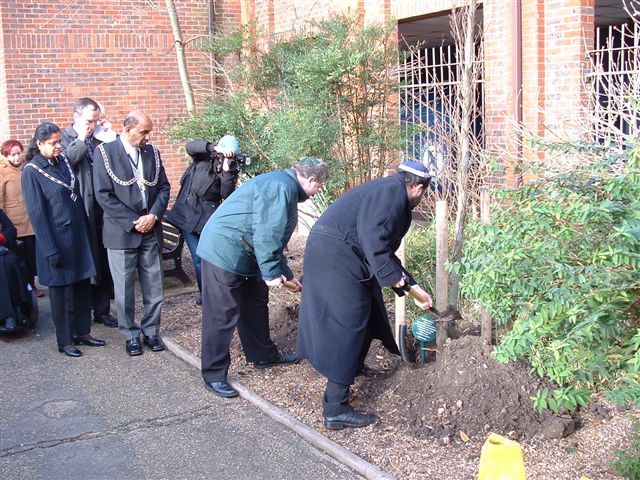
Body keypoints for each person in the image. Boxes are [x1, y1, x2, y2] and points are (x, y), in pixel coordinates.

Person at [296, 161, 434, 430]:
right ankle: (335, 407)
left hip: (339, 252)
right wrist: (396, 279)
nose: (421, 198)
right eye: (424, 193)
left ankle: (353, 366)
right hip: (336, 256)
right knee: (347, 323)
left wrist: (412, 287)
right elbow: (374, 242)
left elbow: (378, 248)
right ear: (417, 187)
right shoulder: (392, 193)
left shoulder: (388, 189)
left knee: (368, 311)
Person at [197, 156, 329, 398]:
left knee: (256, 304)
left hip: (245, 252)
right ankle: (214, 374)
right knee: (222, 314)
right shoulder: (281, 187)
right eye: (319, 187)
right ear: (311, 179)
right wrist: (270, 272)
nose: (317, 192)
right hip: (223, 252)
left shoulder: (282, 184)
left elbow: (274, 239)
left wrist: (285, 273)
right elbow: (267, 233)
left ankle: (262, 355)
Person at [21, 122, 105, 357]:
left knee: (81, 286)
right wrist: (50, 250)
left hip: (77, 236)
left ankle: (82, 331)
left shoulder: (63, 162)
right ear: (39, 144)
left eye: (59, 141)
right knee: (61, 294)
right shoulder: (32, 171)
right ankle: (65, 340)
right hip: (56, 241)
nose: (59, 146)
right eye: (53, 143)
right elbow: (37, 214)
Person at [93, 111, 171, 356]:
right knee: (125, 288)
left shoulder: (152, 153)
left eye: (149, 132)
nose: (147, 137)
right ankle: (130, 334)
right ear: (127, 130)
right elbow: (103, 195)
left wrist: (154, 216)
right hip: (122, 232)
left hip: (151, 229)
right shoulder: (105, 154)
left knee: (154, 285)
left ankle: (151, 331)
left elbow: (164, 188)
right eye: (143, 132)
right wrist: (133, 221)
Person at [61, 97, 117, 328]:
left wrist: (109, 138)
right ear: (76, 117)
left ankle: (102, 311)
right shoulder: (64, 138)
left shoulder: (99, 138)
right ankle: (82, 313)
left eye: (96, 121)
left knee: (104, 261)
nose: (92, 125)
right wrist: (83, 138)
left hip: (102, 208)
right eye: (89, 121)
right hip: (81, 208)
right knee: (85, 262)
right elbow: (67, 163)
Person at [165, 135, 241, 305]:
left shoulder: (230, 167)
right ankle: (205, 295)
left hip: (207, 219)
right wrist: (215, 148)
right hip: (187, 216)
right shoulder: (203, 157)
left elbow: (226, 195)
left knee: (210, 258)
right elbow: (190, 145)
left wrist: (227, 172)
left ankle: (215, 293)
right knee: (199, 258)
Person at [0, 139, 42, 297]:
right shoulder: (2, 171)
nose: (17, 157)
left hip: (29, 221)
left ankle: (32, 285)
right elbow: (0, 201)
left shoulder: (26, 168)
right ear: (6, 155)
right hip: (14, 222)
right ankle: (23, 287)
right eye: (13, 154)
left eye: (19, 153)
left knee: (31, 257)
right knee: (19, 258)